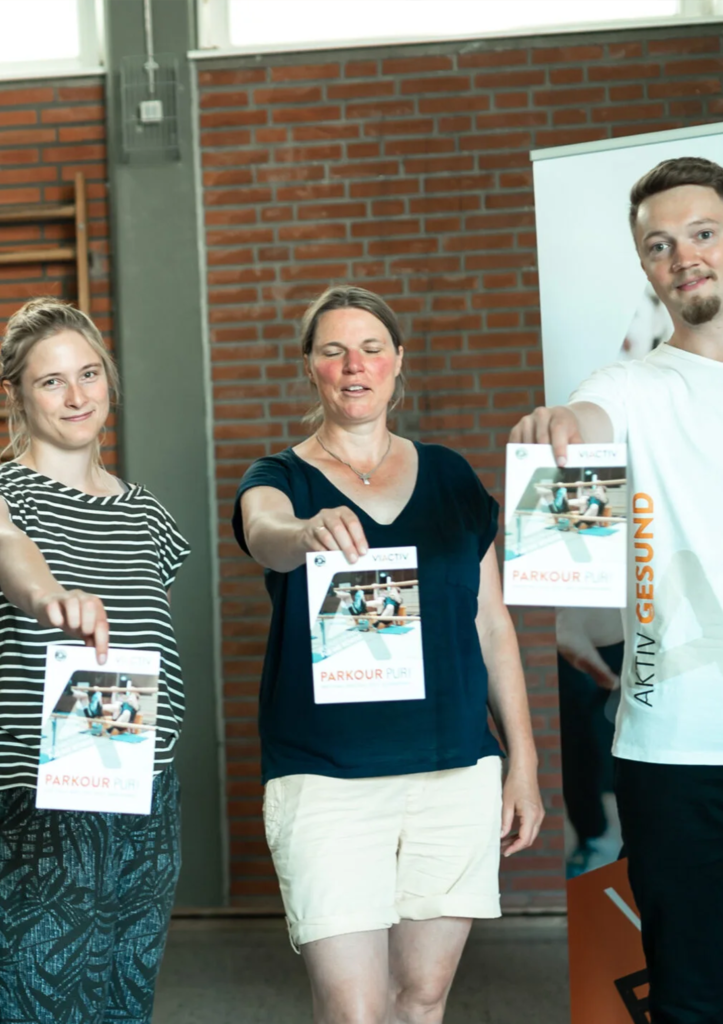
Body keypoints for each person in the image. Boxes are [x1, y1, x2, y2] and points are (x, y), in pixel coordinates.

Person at [234, 285, 544, 1024]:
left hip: (454, 770)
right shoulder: (280, 479)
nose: (355, 365)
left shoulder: (450, 477)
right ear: (310, 366)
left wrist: (524, 763)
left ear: (397, 361)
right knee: (355, 1011)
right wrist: (304, 532)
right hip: (326, 780)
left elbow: (491, 623)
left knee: (423, 999)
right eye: (334, 350)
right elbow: (265, 534)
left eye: (371, 348)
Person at [511, 155, 723, 1023]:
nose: (683, 257)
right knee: (691, 996)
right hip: (672, 753)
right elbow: (585, 420)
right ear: (644, 266)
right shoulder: (625, 387)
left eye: (702, 233)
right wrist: (561, 427)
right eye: (659, 245)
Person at [0, 298, 190, 1024]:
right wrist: (49, 598)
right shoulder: (6, 494)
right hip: (38, 796)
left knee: (123, 1001)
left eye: (88, 373)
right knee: (36, 1001)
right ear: (15, 395)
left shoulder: (149, 516)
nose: (76, 395)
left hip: (144, 791)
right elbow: (10, 552)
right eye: (50, 381)